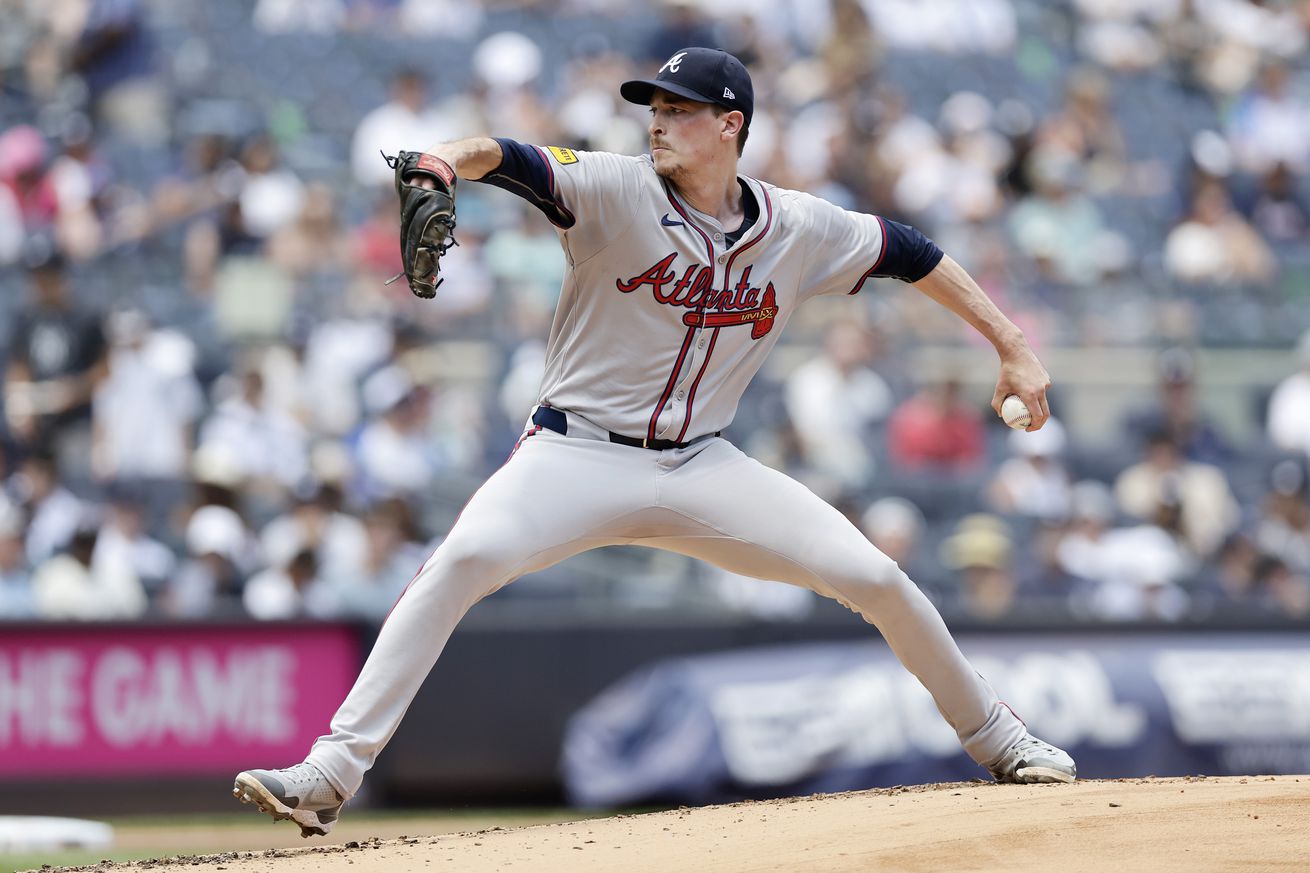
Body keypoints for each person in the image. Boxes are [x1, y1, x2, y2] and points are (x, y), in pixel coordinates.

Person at [233, 48, 1074, 838]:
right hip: (575, 453)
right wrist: (441, 161)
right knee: (456, 565)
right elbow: (505, 155)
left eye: (680, 109)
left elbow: (912, 250)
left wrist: (1011, 343)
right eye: (655, 107)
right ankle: (331, 772)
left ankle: (1002, 741)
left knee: (876, 576)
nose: (658, 121)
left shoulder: (797, 225)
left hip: (703, 462)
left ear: (731, 124)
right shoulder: (612, 187)